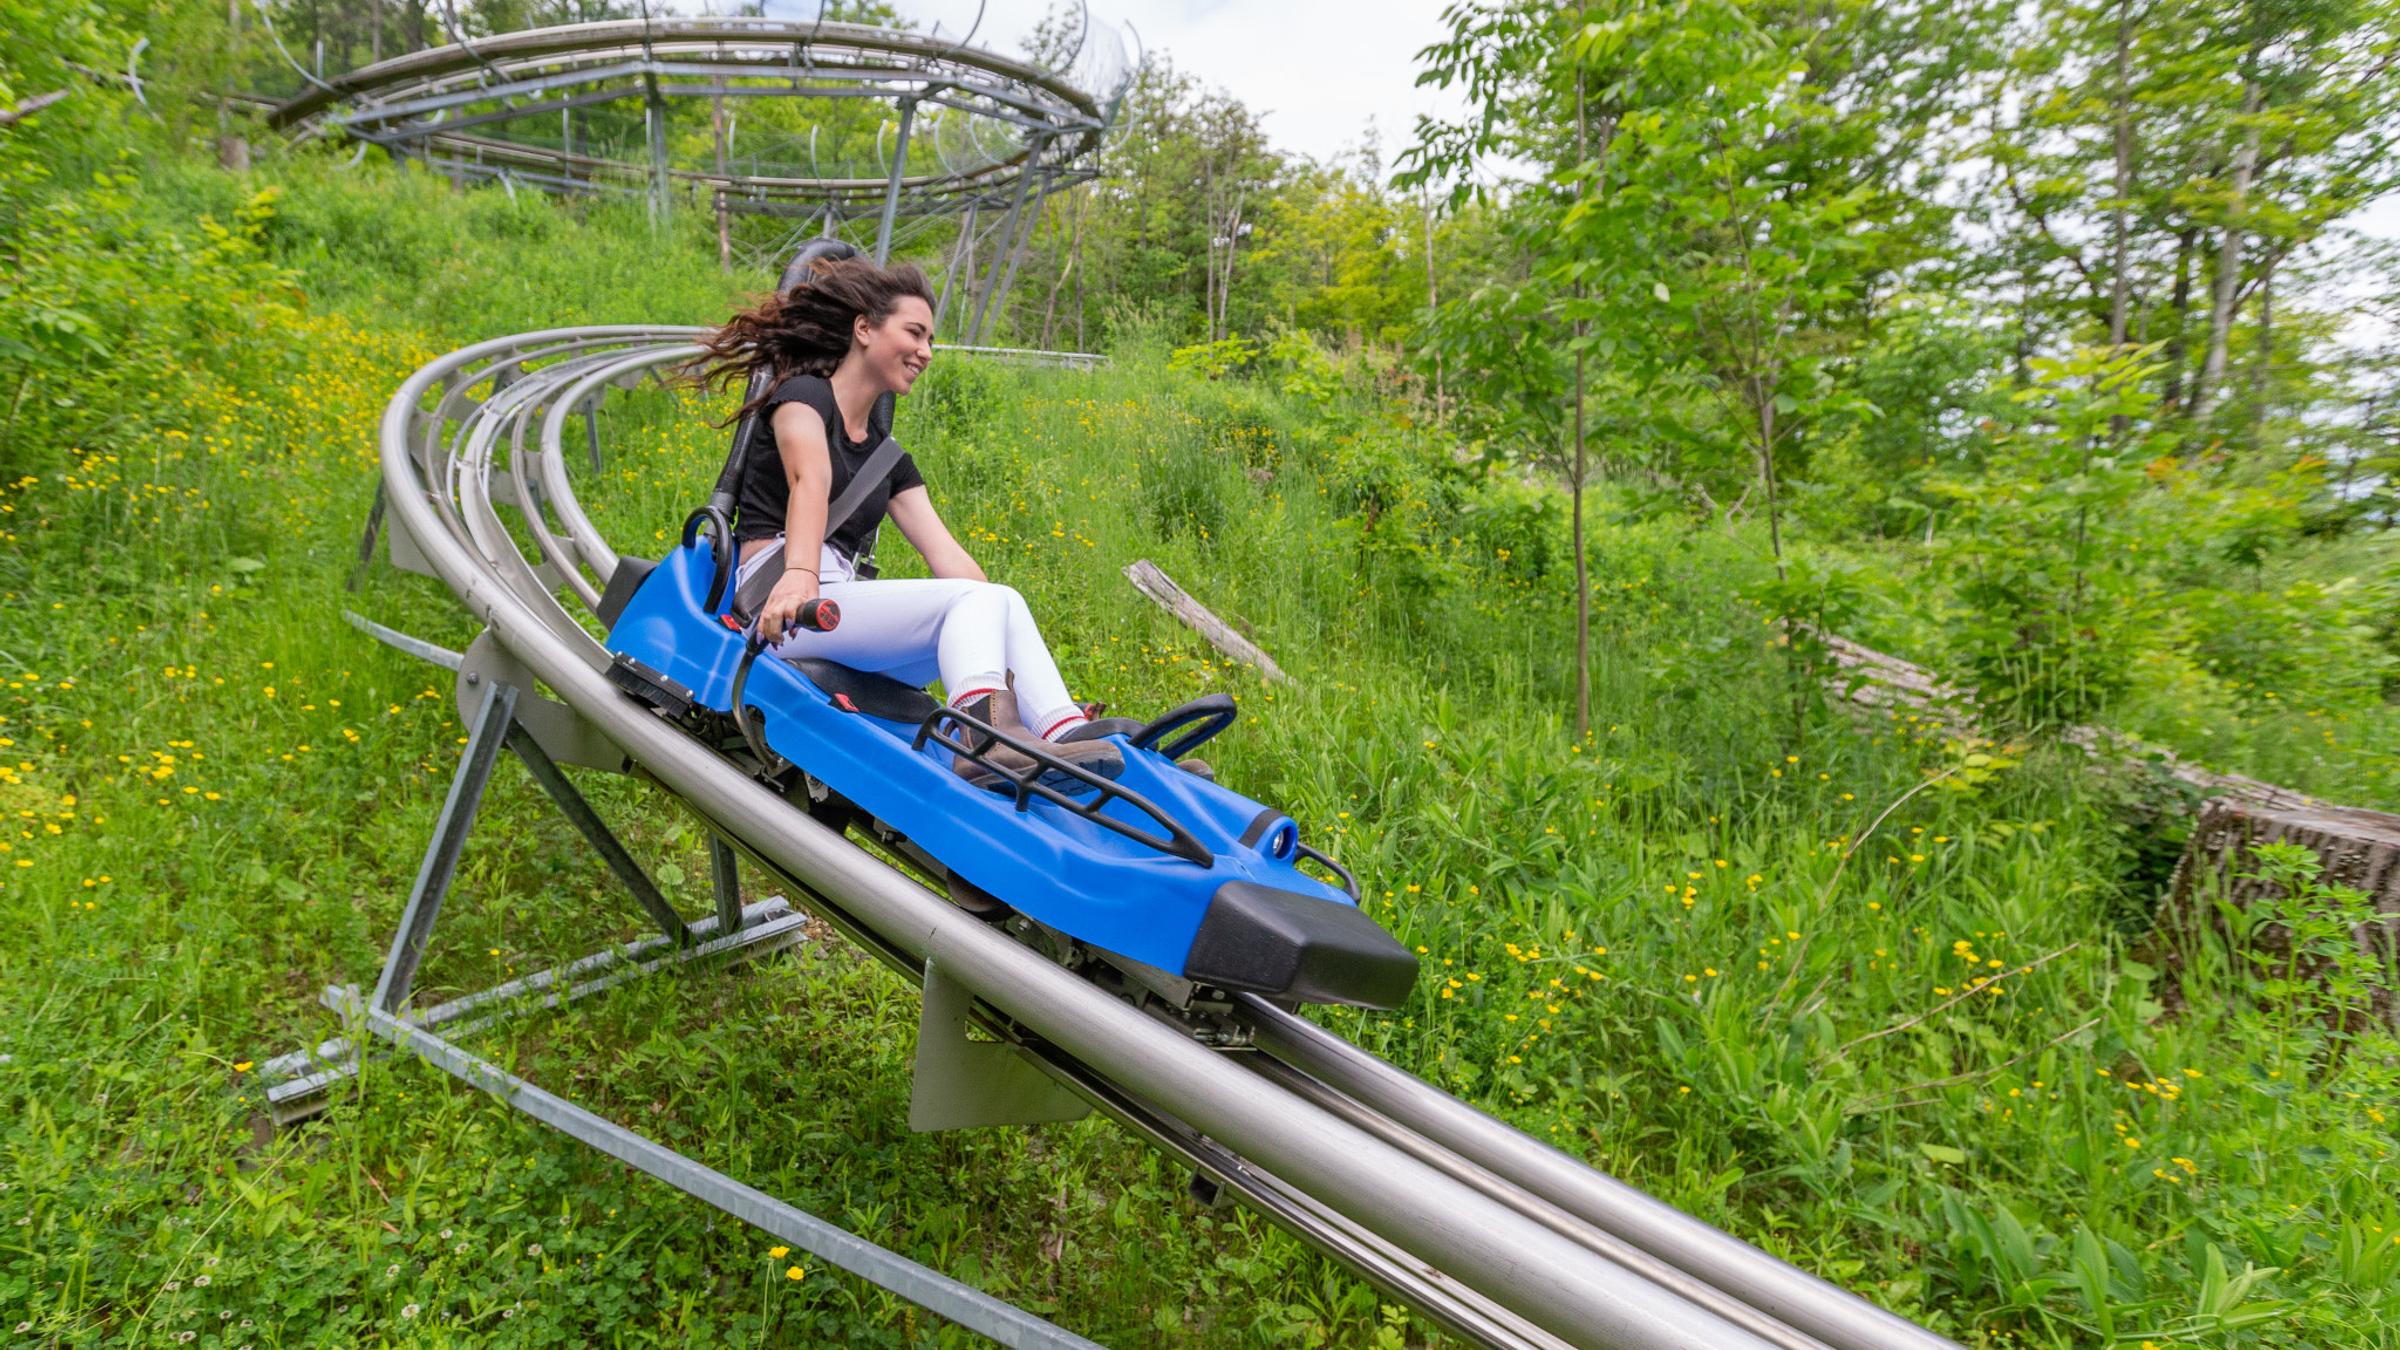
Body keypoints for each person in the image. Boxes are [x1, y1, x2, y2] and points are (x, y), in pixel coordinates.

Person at [688, 254, 1124, 789]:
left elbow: (950, 559)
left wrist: (997, 623)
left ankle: (1063, 732)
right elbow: (809, 480)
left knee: (1000, 599)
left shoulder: (887, 459)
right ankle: (982, 743)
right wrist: (801, 573)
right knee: (974, 601)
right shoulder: (803, 397)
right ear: (864, 329)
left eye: (931, 340)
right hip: (786, 604)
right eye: (915, 333)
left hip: (840, 613)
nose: (926, 352)